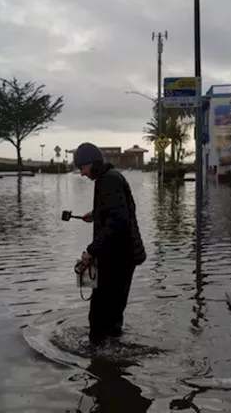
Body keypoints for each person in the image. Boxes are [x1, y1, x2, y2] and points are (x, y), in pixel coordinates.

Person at [73, 142, 146, 345]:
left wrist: (91, 251)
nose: (81, 173)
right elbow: (118, 212)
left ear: (93, 163)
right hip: (122, 256)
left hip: (118, 258)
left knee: (100, 315)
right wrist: (97, 215)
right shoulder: (110, 178)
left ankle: (99, 360)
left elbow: (118, 222)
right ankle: (113, 360)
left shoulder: (108, 181)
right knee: (112, 314)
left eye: (82, 167)